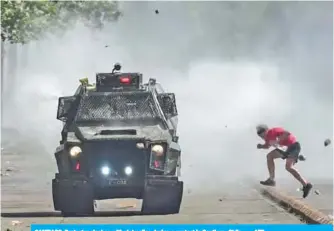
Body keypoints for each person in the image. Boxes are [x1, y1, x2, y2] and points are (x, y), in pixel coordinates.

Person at [256, 124, 313, 198]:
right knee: (269, 156)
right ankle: (271, 180)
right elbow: (267, 146)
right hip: (285, 149)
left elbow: (287, 133)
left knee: (288, 167)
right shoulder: (267, 139)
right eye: (259, 135)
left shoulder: (273, 131)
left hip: (293, 146)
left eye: (261, 133)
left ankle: (306, 185)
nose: (261, 136)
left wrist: (278, 139)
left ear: (266, 130)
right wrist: (261, 146)